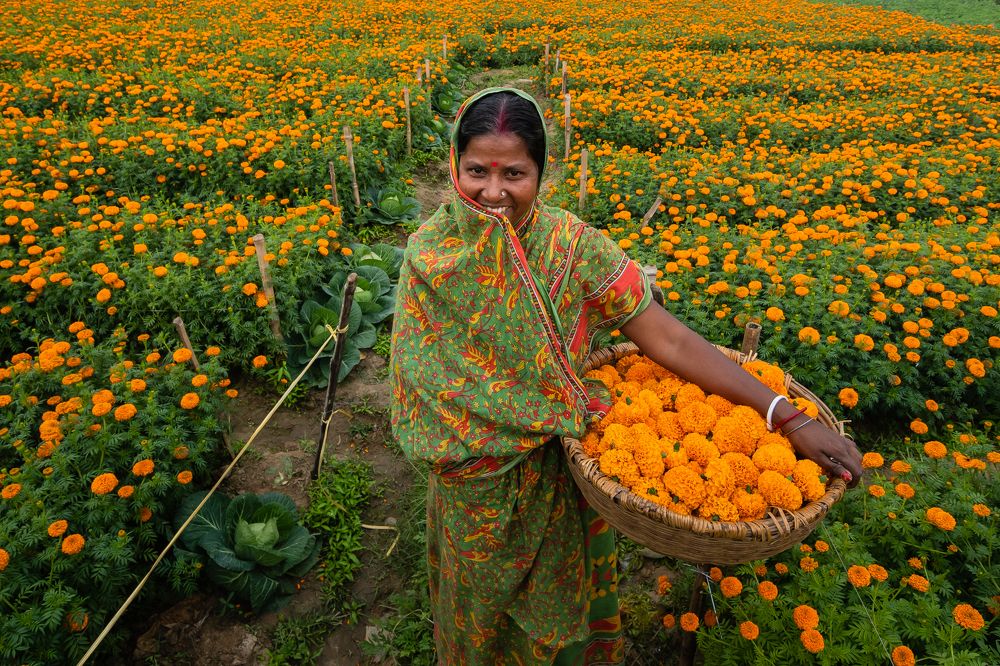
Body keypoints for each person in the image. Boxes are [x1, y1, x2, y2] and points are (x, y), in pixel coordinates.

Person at [389, 87, 862, 664]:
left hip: (563, 471)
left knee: (561, 612)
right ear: (454, 167)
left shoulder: (573, 247)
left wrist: (784, 415)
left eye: (515, 172)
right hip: (474, 485)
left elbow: (668, 338)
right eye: (476, 171)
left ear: (541, 172)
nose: (494, 192)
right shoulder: (429, 253)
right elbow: (423, 380)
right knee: (479, 613)